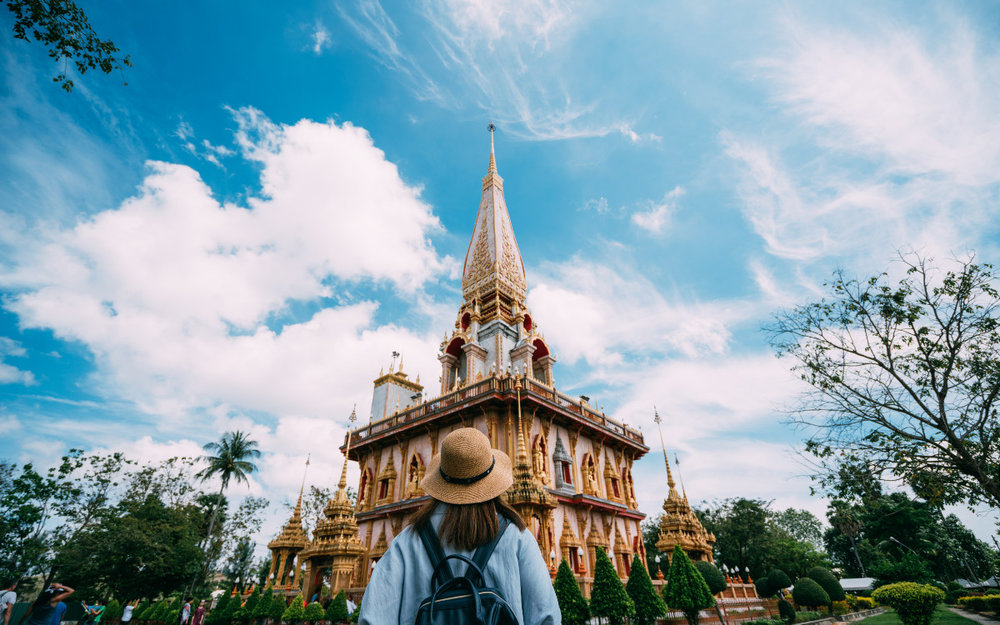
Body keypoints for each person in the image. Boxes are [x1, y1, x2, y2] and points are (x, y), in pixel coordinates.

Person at [358, 427, 559, 625]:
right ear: (491, 478)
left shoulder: (408, 541)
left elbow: (373, 618)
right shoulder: (517, 537)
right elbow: (546, 616)